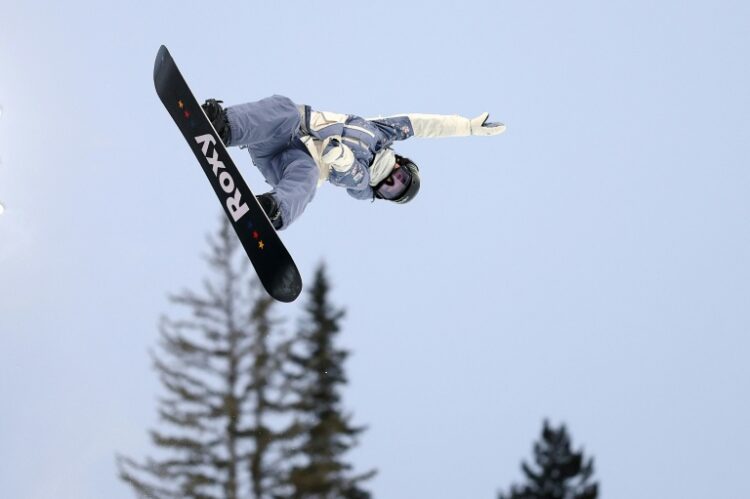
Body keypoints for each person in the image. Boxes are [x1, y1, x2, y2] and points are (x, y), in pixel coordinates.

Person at [201, 95, 505, 230]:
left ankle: (275, 209)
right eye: (399, 179)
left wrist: (341, 157)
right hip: (283, 130)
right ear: (401, 163)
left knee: (308, 175)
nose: (389, 182)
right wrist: (466, 127)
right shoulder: (382, 132)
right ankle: (225, 125)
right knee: (285, 107)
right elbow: (421, 124)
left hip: (290, 163)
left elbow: (352, 173)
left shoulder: (363, 187)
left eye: (390, 191)